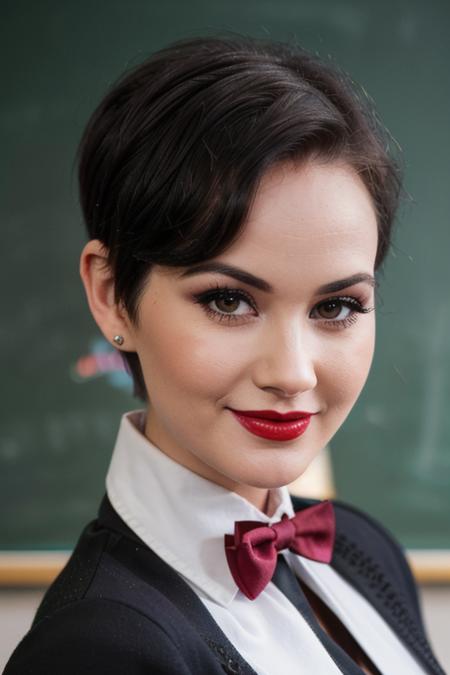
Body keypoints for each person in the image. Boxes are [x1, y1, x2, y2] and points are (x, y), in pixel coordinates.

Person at [4, 35, 445, 675]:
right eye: (228, 301)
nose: (292, 373)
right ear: (110, 293)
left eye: (337, 306)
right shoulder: (97, 650)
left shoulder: (361, 549)